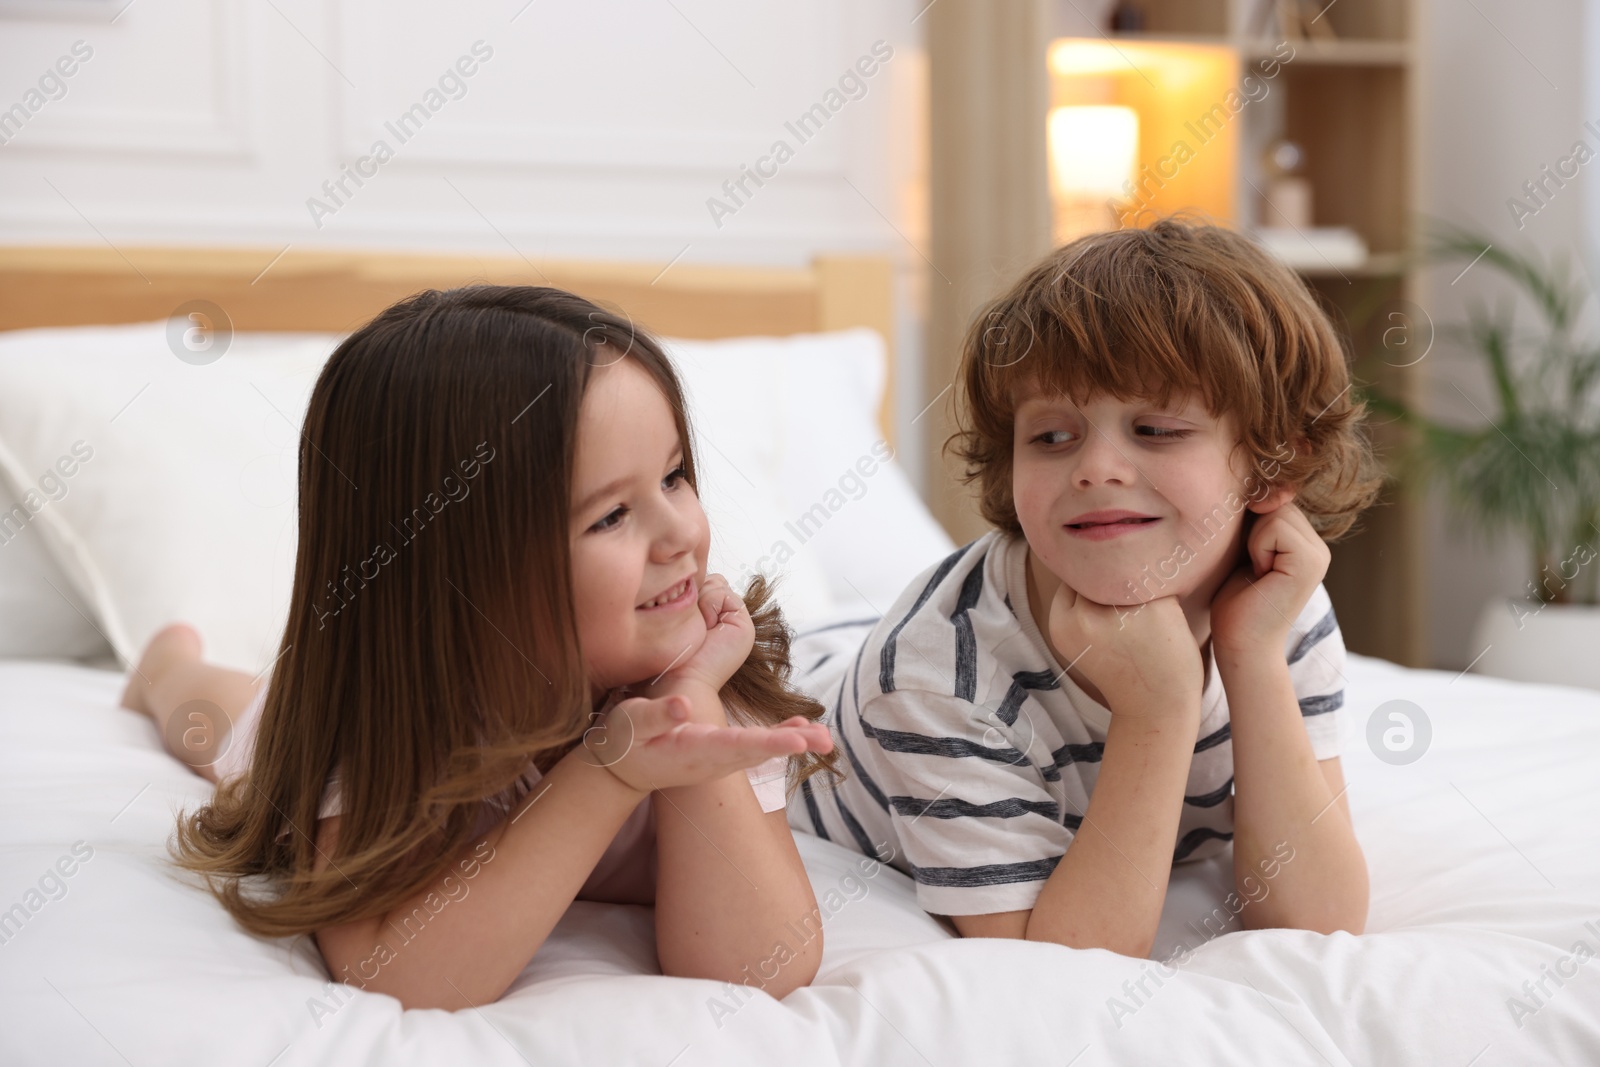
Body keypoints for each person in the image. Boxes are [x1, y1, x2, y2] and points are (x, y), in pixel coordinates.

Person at [122, 285, 837, 1009]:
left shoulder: (703, 670)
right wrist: (609, 769)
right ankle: (165, 667)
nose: (683, 532)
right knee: (232, 728)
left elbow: (760, 966)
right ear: (459, 573)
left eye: (675, 476)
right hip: (415, 718)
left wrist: (689, 708)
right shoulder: (388, 724)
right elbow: (392, 971)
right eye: (612, 514)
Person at [790, 218, 1380, 955]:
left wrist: (1253, 656)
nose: (1097, 467)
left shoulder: (1278, 605)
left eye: (1156, 428)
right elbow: (1062, 961)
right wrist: (1157, 710)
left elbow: (1315, 920)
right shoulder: (934, 676)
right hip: (799, 720)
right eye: (1052, 436)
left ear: (1272, 464)